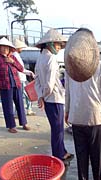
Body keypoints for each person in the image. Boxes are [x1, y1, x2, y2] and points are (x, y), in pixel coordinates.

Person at [64, 28, 101, 180]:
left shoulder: (70, 67)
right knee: (96, 156)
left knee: (82, 156)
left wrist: (67, 111)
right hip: (95, 118)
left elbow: (67, 92)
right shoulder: (100, 66)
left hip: (77, 118)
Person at [35, 29, 73, 162]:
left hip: (48, 98)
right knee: (58, 130)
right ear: (49, 44)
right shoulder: (50, 58)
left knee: (57, 128)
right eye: (57, 44)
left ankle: (62, 151)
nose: (59, 47)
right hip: (55, 99)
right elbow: (50, 84)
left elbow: (37, 80)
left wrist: (40, 96)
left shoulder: (40, 58)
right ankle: (58, 156)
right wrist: (44, 95)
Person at [0, 37, 30, 133]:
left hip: (16, 84)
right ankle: (11, 126)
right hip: (5, 85)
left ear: (10, 48)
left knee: (20, 104)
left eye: (7, 47)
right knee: (8, 106)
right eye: (3, 47)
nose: (5, 49)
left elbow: (21, 69)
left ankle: (24, 123)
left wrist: (12, 62)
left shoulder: (13, 57)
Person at [13, 39, 35, 116]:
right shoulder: (16, 56)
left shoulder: (15, 55)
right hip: (20, 78)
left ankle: (17, 112)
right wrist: (30, 73)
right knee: (26, 95)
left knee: (19, 96)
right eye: (21, 48)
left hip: (20, 78)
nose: (21, 49)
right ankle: (27, 110)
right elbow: (21, 68)